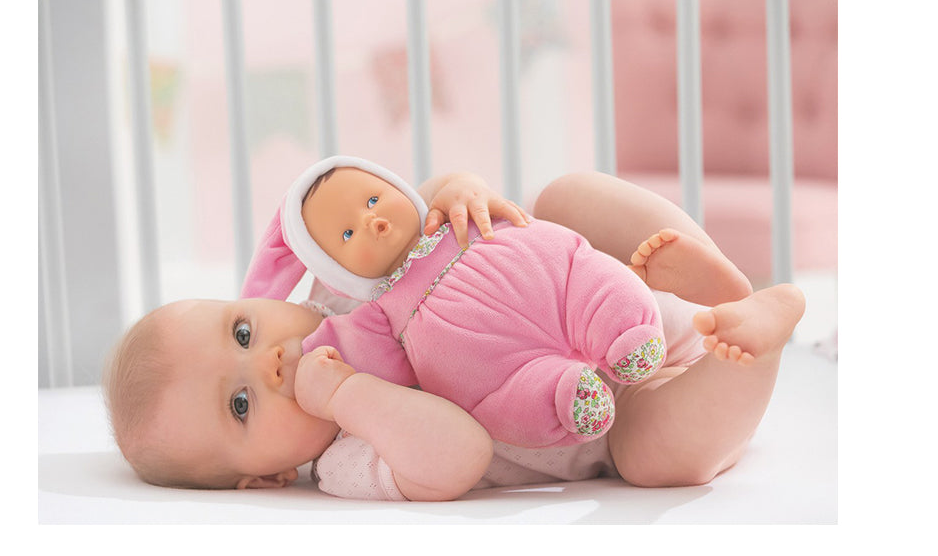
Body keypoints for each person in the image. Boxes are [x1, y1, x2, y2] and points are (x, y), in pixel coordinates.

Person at [105, 170, 804, 501]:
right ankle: (752, 330)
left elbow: (414, 220)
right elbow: (459, 453)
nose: (268, 363)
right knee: (655, 460)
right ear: (266, 479)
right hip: (616, 412)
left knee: (561, 199)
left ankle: (710, 279)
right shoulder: (348, 459)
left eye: (243, 332)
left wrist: (456, 192)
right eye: (240, 404)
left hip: (601, 293)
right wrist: (347, 395)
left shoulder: (343, 287)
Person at [241, 156, 668, 447]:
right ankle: (566, 396)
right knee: (504, 398)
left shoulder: (449, 215)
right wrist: (306, 361)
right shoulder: (378, 318)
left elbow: (464, 184)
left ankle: (627, 334)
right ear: (337, 273)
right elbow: (338, 352)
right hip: (506, 369)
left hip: (556, 281)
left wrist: (466, 187)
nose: (372, 220)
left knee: (586, 279)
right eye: (347, 234)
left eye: (373, 199)